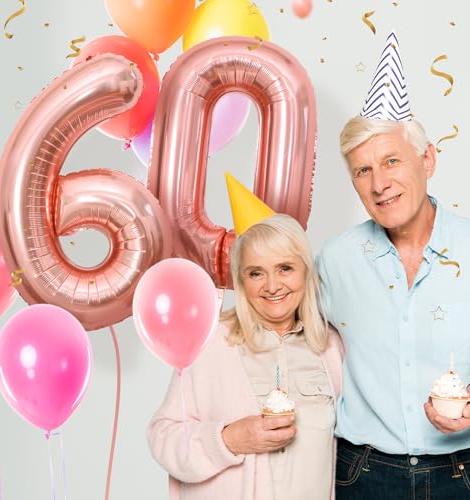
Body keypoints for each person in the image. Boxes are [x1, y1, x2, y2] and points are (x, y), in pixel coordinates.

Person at [316, 31, 470, 499]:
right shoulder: (335, 261)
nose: (379, 183)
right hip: (364, 474)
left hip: (461, 472)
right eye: (363, 170)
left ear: (428, 159)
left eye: (391, 161)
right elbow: (279, 337)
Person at [147, 173, 343, 500]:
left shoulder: (330, 346)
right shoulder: (212, 343)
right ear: (241, 280)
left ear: (305, 271)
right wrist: (229, 440)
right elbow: (163, 436)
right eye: (256, 273)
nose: (272, 286)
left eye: (285, 268)